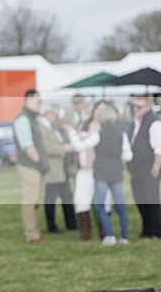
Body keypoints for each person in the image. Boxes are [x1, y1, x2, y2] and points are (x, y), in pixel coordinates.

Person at [89, 104, 133, 245]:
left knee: (100, 205)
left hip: (101, 173)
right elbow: (128, 156)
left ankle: (109, 235)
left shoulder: (98, 135)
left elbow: (82, 146)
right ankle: (124, 236)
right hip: (116, 172)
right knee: (120, 206)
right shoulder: (122, 134)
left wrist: (72, 135)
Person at [64, 101, 107, 241]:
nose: (100, 113)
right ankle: (85, 234)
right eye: (98, 109)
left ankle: (105, 232)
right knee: (81, 200)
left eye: (104, 110)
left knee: (103, 201)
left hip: (100, 169)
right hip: (84, 169)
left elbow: (80, 144)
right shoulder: (84, 125)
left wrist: (71, 132)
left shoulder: (105, 128)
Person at [13, 90, 50, 243]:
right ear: (28, 100)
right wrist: (39, 162)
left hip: (36, 167)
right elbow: (27, 146)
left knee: (36, 199)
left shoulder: (32, 118)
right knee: (30, 200)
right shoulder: (23, 119)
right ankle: (32, 234)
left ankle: (34, 230)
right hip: (30, 166)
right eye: (37, 101)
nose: (39, 104)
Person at [37, 104, 76, 234]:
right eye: (55, 114)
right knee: (50, 199)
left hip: (61, 168)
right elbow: (46, 148)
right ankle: (51, 226)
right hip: (52, 170)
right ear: (47, 113)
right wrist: (64, 149)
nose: (56, 117)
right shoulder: (41, 128)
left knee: (67, 197)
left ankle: (71, 224)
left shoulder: (52, 127)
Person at [127, 94, 161, 239]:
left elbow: (159, 149)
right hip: (136, 169)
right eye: (134, 106)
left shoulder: (154, 123)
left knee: (151, 200)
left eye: (139, 107)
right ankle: (147, 228)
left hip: (149, 169)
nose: (136, 109)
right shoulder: (135, 123)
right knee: (140, 198)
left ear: (148, 107)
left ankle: (157, 231)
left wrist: (155, 169)